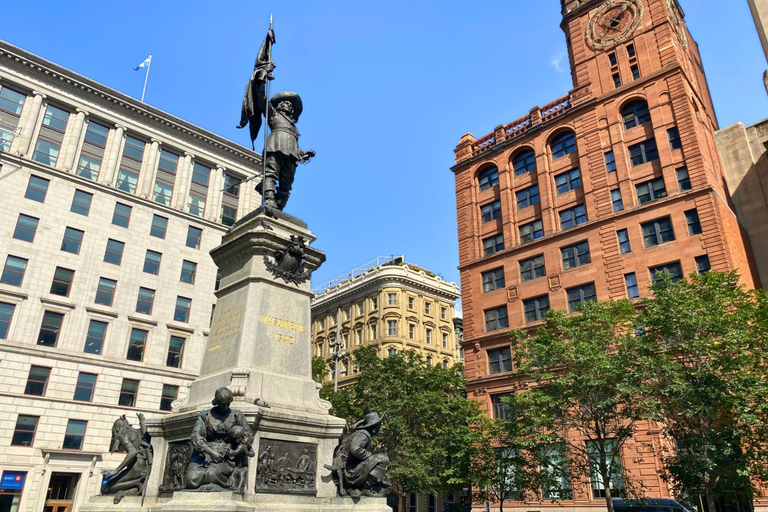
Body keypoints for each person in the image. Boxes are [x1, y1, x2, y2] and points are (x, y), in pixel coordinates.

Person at [185, 387, 254, 492]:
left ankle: (231, 479)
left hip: (227, 456)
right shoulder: (205, 415)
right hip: (205, 454)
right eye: (223, 404)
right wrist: (210, 452)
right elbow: (195, 436)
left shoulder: (236, 415)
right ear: (216, 402)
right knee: (190, 479)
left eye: (228, 404)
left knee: (211, 474)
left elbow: (248, 435)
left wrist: (238, 449)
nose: (226, 407)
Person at [260, 91, 315, 210]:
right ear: (279, 105)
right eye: (285, 103)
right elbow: (261, 98)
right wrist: (261, 79)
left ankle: (279, 206)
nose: (289, 105)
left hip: (291, 154)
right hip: (275, 145)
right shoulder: (273, 114)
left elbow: (294, 145)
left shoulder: (293, 126)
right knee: (271, 173)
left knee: (287, 182)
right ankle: (269, 199)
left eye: (291, 105)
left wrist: (304, 153)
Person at [101, 413, 153, 504]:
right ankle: (131, 490)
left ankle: (137, 482)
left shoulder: (124, 435)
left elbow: (133, 452)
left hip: (136, 466)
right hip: (141, 465)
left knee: (105, 489)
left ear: (116, 429)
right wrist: (141, 421)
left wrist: (116, 470)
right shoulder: (136, 431)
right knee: (112, 485)